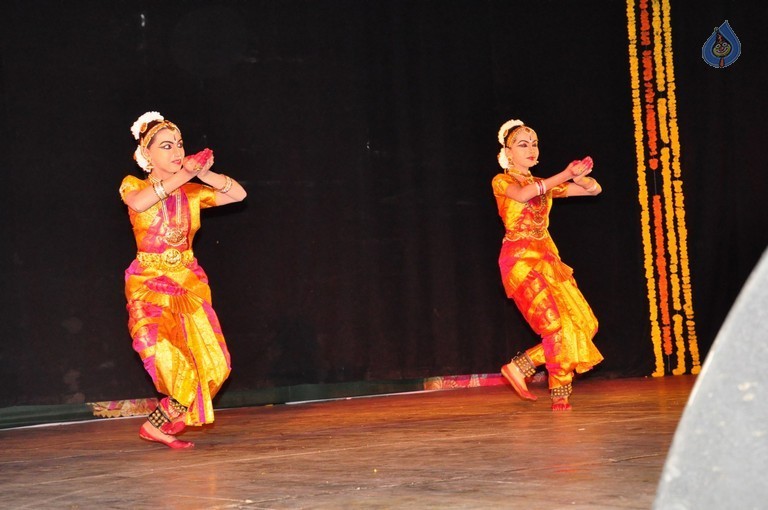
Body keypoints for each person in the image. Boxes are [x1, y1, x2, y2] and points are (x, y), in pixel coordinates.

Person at [119, 111, 247, 447]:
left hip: (188, 283)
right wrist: (185, 175)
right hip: (149, 284)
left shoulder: (192, 191)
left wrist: (205, 174)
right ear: (147, 155)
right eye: (166, 146)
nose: (177, 151)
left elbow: (239, 196)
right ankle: (162, 423)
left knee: (214, 365)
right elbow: (141, 202)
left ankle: (158, 424)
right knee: (166, 360)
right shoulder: (133, 185)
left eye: (179, 144)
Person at [492, 119, 603, 411]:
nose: (531, 149)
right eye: (523, 144)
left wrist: (579, 178)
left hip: (548, 259)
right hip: (520, 262)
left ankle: (523, 367)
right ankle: (559, 394)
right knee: (554, 326)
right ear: (508, 152)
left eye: (534, 143)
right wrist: (564, 174)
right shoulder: (502, 181)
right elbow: (526, 194)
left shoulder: (544, 184)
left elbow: (594, 191)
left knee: (583, 322)